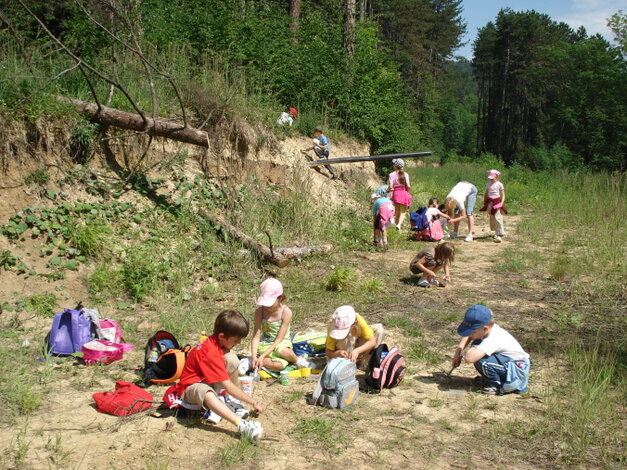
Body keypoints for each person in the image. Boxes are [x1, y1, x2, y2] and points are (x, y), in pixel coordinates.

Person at [173, 310, 264, 441]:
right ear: (222, 336)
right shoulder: (211, 353)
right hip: (188, 389)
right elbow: (228, 386)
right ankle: (242, 425)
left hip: (205, 380)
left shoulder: (216, 343)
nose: (238, 343)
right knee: (206, 391)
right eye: (235, 340)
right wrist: (253, 402)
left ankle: (231, 400)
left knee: (232, 358)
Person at [451, 305, 531, 395]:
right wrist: (458, 352)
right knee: (477, 345)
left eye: (472, 332)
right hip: (508, 363)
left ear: (485, 329)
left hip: (516, 371)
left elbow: (469, 358)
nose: (470, 335)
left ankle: (497, 385)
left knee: (481, 360)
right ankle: (493, 378)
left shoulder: (493, 339)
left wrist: (472, 348)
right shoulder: (489, 328)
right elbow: (468, 335)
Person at [250, 278, 304, 371]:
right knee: (278, 366)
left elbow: (279, 339)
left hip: (281, 342)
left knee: (284, 352)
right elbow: (256, 337)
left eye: (269, 303)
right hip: (266, 343)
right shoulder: (259, 312)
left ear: (280, 297)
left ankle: (297, 361)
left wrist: (263, 355)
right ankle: (254, 361)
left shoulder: (286, 312)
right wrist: (254, 355)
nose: (266, 306)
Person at [325, 305, 384, 370]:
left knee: (379, 330)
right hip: (342, 354)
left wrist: (357, 351)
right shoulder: (332, 326)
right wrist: (338, 353)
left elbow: (372, 341)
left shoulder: (359, 321)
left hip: (356, 345)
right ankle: (346, 364)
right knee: (348, 337)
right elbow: (328, 352)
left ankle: (364, 364)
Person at [480, 169, 506, 243]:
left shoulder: (499, 184)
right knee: (492, 217)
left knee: (498, 217)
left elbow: (503, 194)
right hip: (490, 202)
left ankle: (500, 233)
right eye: (490, 178)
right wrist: (485, 201)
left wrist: (502, 202)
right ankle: (496, 232)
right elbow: (486, 193)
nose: (491, 179)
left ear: (496, 177)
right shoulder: (488, 184)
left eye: (492, 178)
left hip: (497, 202)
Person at [388, 158, 412, 230]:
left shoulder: (391, 174)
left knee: (397, 212)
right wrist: (407, 192)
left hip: (396, 194)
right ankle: (399, 225)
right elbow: (408, 186)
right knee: (403, 212)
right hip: (403, 192)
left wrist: (387, 190)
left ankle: (396, 229)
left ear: (395, 166)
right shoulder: (405, 174)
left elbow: (390, 186)